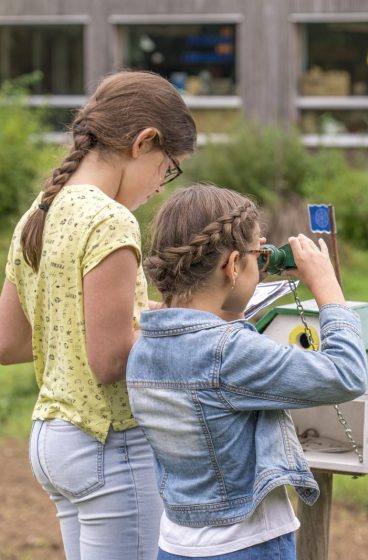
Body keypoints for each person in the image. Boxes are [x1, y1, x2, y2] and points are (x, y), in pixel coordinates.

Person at [0, 71, 197, 559]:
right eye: (168, 167)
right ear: (144, 142)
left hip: (54, 439)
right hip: (109, 441)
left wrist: (140, 315)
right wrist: (190, 330)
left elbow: (10, 341)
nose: (160, 186)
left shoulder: (40, 213)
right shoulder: (111, 219)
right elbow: (110, 361)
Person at [125, 184, 368, 560]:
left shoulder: (144, 345)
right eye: (257, 255)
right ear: (232, 265)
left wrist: (241, 280)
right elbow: (347, 373)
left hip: (175, 544)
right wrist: (327, 286)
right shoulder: (229, 353)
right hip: (246, 545)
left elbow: (208, 328)